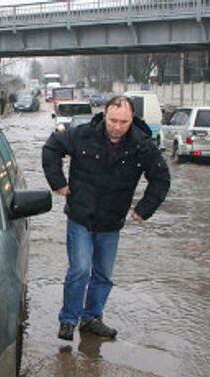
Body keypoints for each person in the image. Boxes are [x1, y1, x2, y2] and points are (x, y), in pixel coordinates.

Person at [42, 95, 170, 341]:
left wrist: (144, 209)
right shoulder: (83, 134)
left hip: (111, 221)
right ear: (105, 115)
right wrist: (58, 183)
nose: (117, 126)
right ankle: (68, 319)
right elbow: (52, 147)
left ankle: (92, 318)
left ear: (132, 119)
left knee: (103, 274)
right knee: (79, 270)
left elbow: (161, 178)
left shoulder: (142, 145)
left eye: (123, 122)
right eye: (113, 120)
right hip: (81, 215)